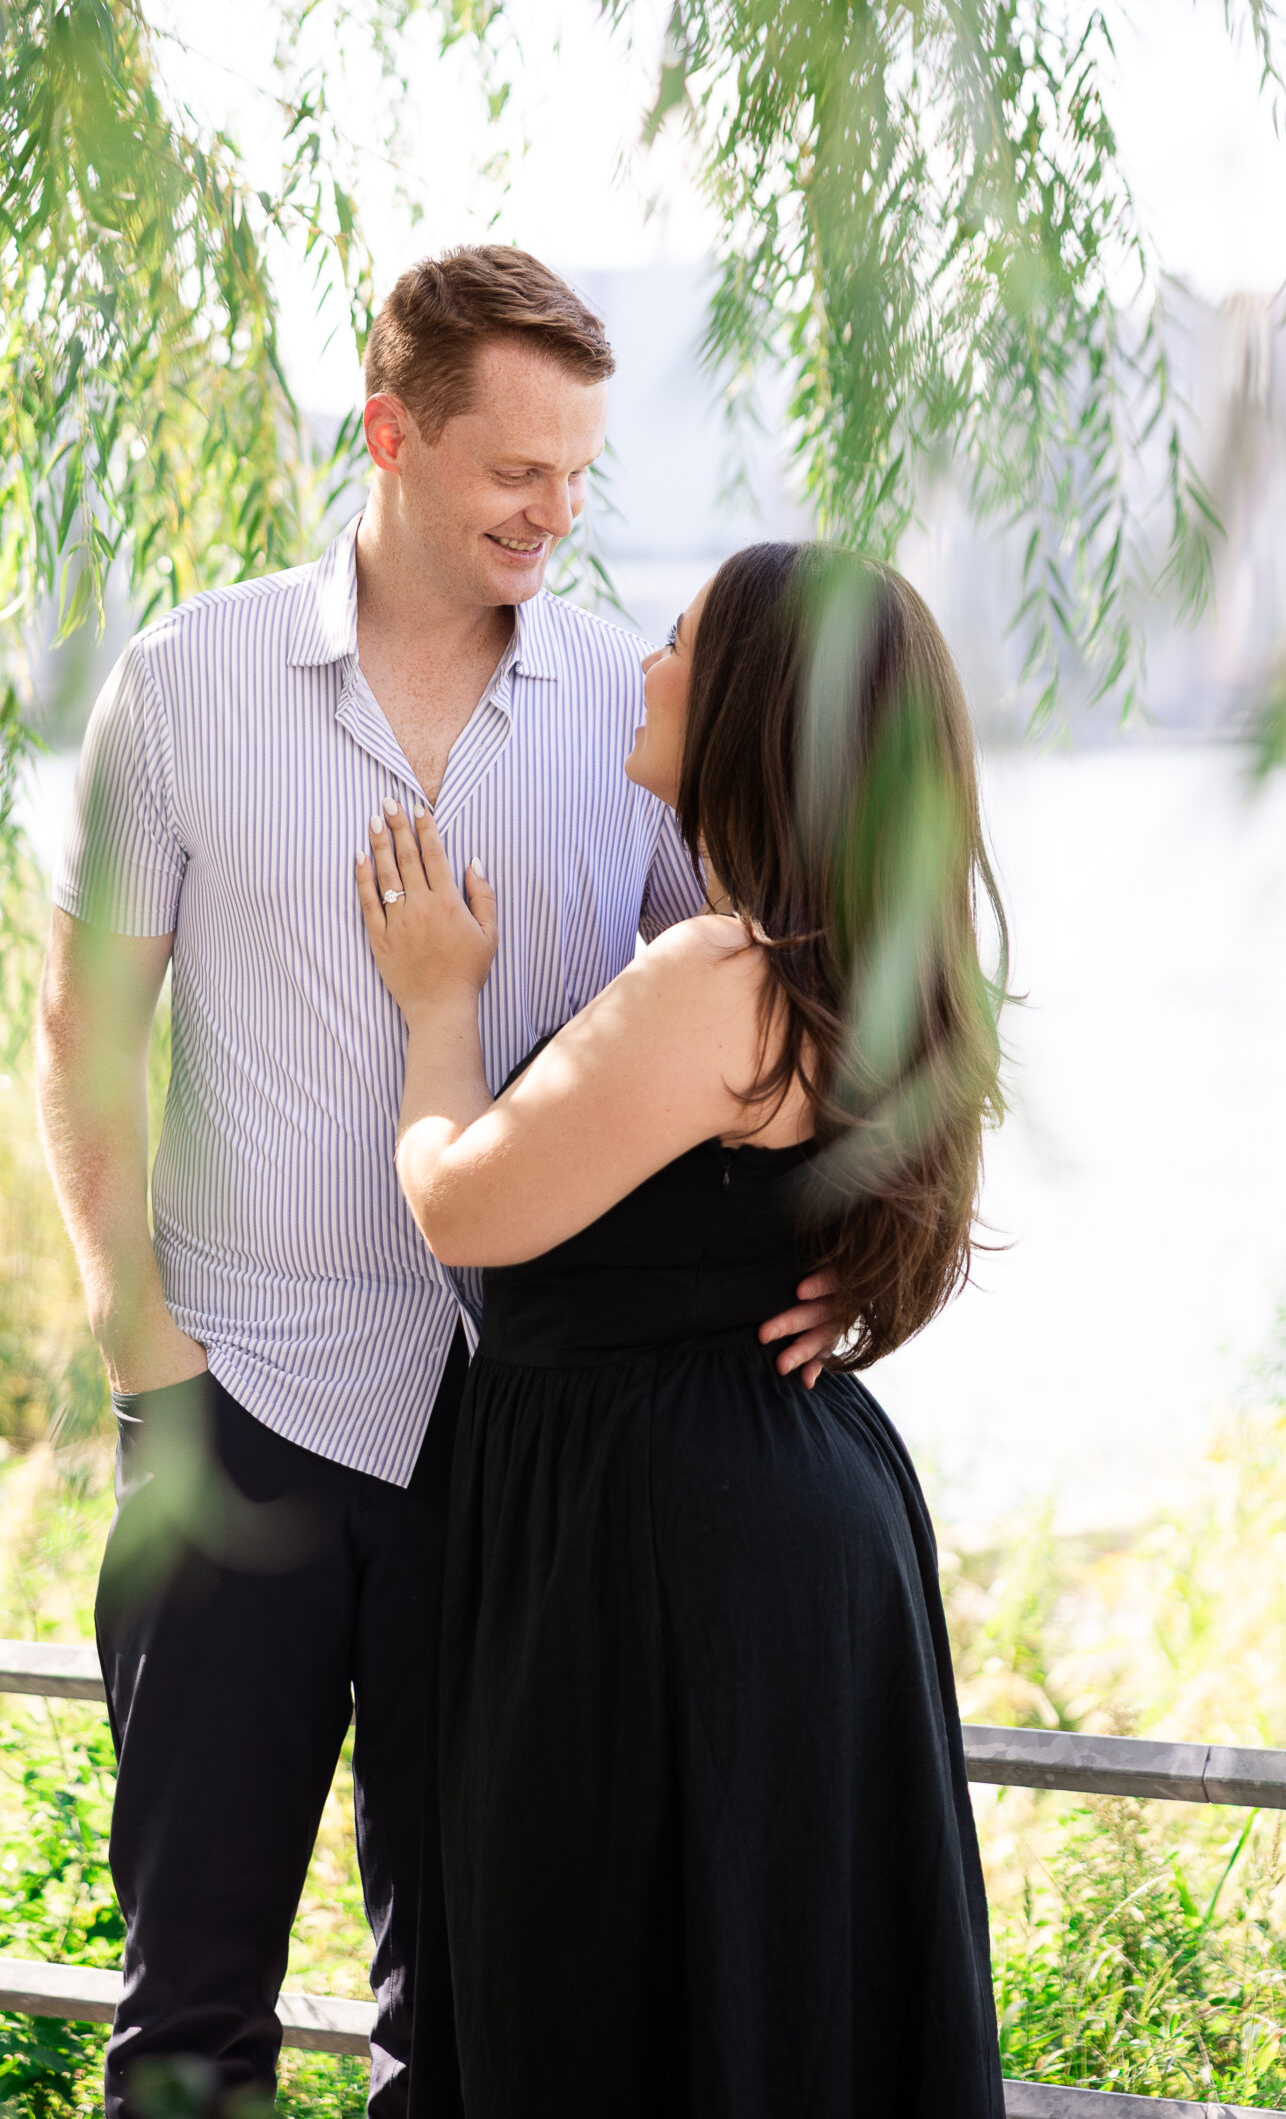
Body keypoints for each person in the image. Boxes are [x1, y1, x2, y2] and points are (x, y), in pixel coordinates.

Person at [34, 248, 846, 2118]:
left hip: (525, 1456)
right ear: (391, 434)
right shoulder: (184, 680)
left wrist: (858, 1264)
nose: (556, 518)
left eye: (579, 475)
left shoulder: (632, 708)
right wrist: (146, 1362)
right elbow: (81, 1035)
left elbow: (763, 1017)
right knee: (191, 2015)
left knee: (477, 2025)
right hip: (235, 1414)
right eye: (516, 474)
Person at [355, 538, 1009, 2119]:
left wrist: (440, 1003)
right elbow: (879, 1239)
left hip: (655, 1540)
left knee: (619, 1974)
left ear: (750, 715)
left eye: (679, 646)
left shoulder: (720, 972)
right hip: (783, 1510)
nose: (643, 670)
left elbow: (463, 1209)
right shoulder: (866, 959)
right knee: (776, 1974)